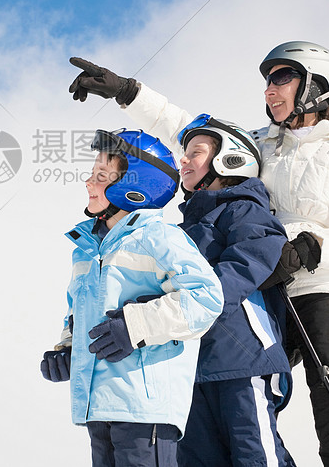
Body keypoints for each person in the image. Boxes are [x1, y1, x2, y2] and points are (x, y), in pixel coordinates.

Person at [68, 42, 329, 467]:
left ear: (315, 84)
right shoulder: (260, 144)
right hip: (258, 298)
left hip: (321, 293)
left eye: (281, 79)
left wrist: (311, 247)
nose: (268, 91)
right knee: (244, 400)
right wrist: (126, 91)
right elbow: (191, 134)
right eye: (266, 81)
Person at [40, 129, 223, 467]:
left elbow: (206, 298)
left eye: (100, 176)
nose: (88, 183)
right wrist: (68, 347)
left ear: (133, 188)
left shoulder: (159, 237)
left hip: (143, 406)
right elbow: (78, 311)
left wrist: (134, 326)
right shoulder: (87, 249)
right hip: (98, 404)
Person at [172, 114, 297, 466]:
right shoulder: (178, 232)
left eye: (194, 152)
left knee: (255, 456)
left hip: (242, 359)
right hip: (190, 368)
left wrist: (197, 307)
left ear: (230, 157)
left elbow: (247, 263)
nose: (183, 160)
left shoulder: (244, 211)